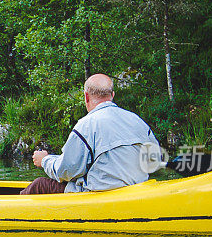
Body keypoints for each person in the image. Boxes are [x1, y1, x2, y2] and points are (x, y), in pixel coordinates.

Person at [22, 73, 160, 195]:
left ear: (86, 96)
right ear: (112, 95)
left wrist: (45, 160)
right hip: (136, 191)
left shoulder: (86, 125)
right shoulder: (137, 121)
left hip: (102, 194)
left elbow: (66, 171)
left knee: (39, 184)